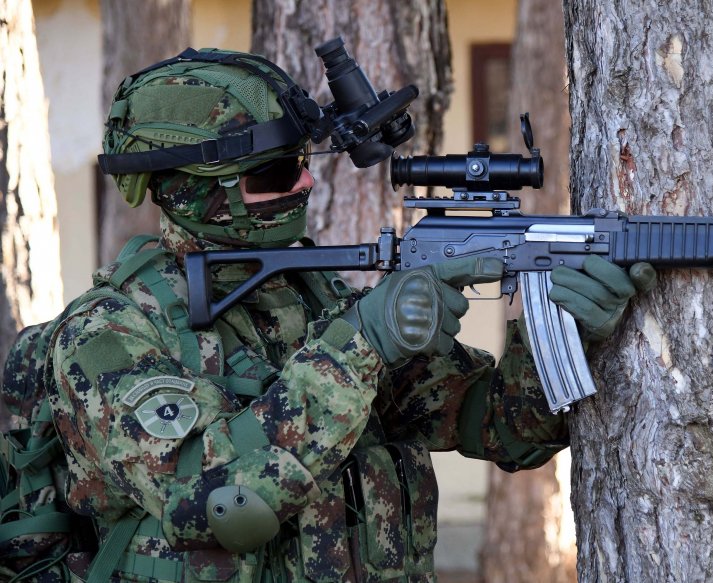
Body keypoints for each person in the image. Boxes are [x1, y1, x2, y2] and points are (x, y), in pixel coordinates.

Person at [48, 47, 654, 582]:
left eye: (301, 160)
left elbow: (493, 423)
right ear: (190, 189)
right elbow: (216, 501)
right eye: (276, 173)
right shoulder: (107, 334)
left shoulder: (315, 301)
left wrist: (566, 328)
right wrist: (364, 341)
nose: (306, 182)